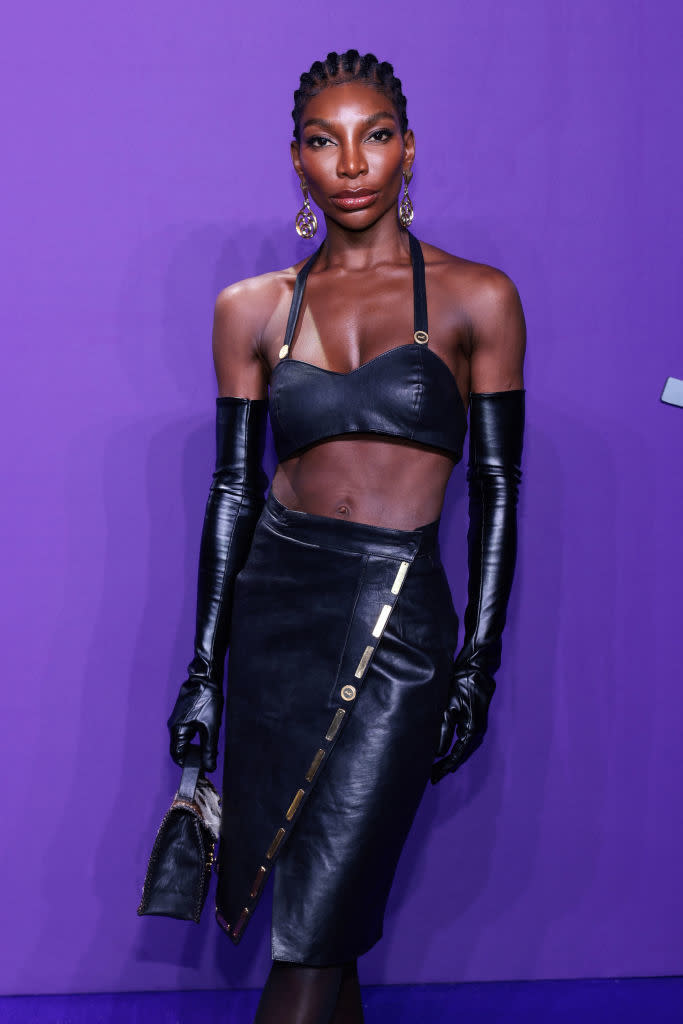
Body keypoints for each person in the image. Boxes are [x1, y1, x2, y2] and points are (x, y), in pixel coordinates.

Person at [166, 49, 525, 1024]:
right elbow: (233, 487)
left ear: (409, 150)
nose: (353, 162)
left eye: (373, 137)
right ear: (298, 162)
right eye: (325, 141)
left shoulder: (475, 298)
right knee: (321, 922)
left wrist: (475, 661)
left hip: (398, 627)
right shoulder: (253, 309)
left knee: (318, 920)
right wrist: (205, 667)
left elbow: (495, 487)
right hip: (277, 612)